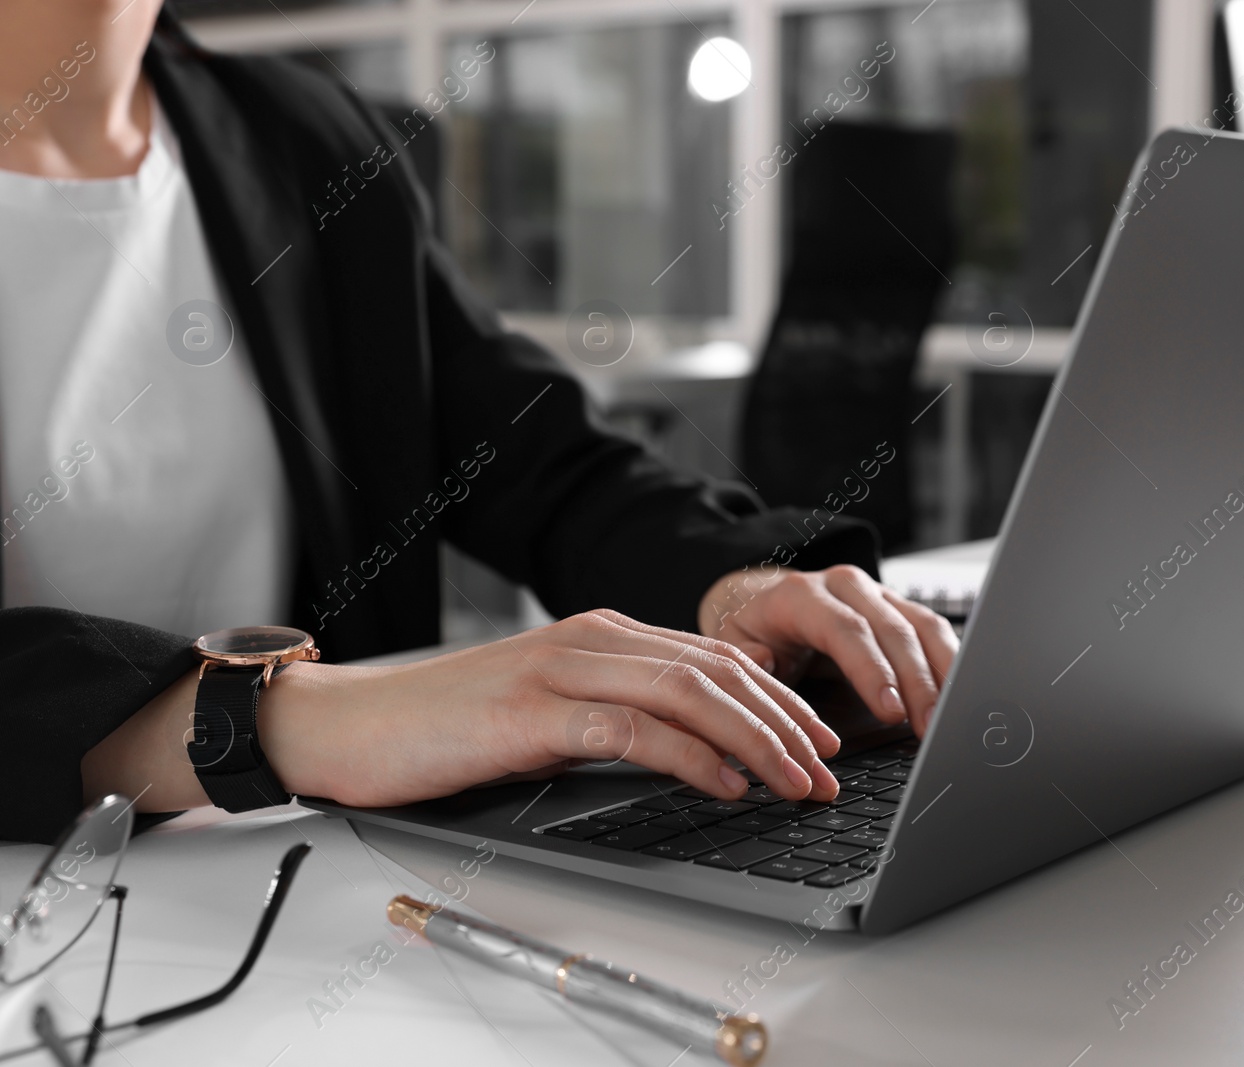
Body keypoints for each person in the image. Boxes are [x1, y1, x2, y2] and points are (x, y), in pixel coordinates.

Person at [0, 1, 956, 844]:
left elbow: (532, 460)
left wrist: (730, 579)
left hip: (301, 881)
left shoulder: (300, 132)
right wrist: (287, 720)